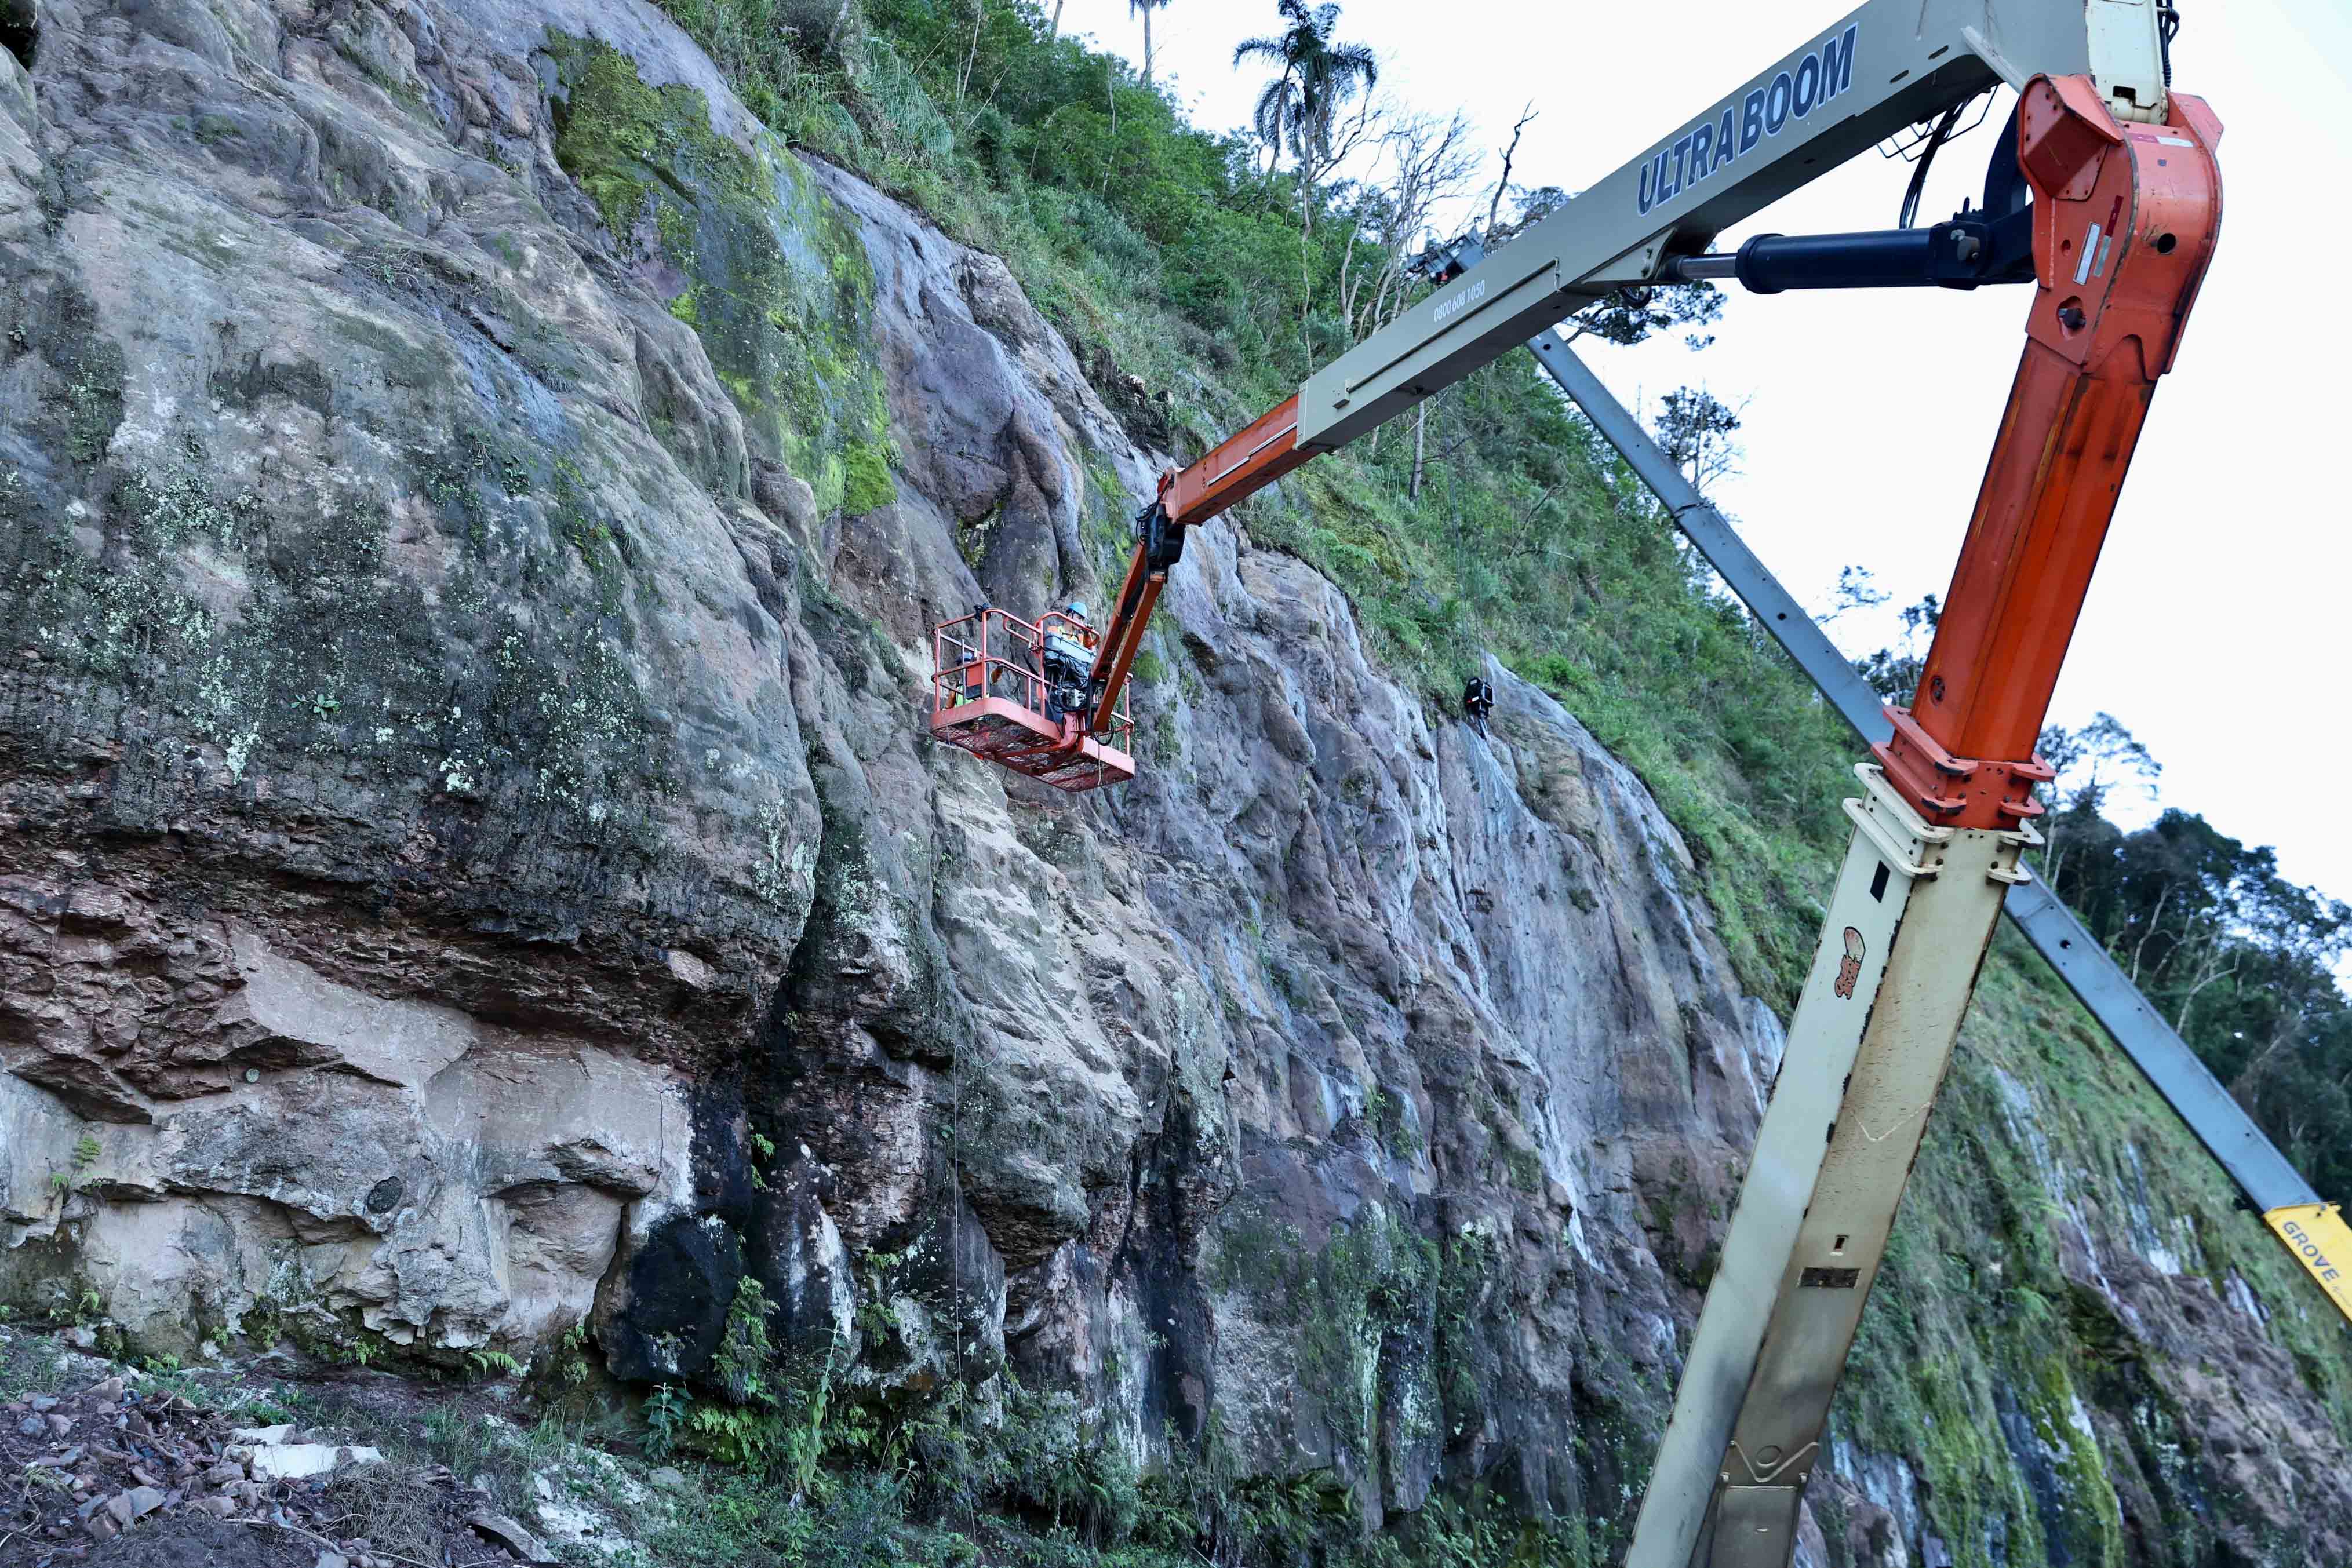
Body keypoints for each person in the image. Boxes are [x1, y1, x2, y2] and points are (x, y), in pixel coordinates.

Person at [1041, 601, 1095, 723]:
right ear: (1070, 615)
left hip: (1074, 680)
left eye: (1082, 620)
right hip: (1058, 677)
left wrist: (1087, 634)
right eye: (1079, 618)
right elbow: (1052, 653)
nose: (1081, 623)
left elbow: (1089, 655)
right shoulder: (1055, 630)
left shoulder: (1080, 639)